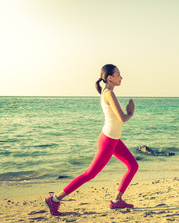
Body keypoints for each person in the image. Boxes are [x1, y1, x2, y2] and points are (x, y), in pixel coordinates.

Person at [45, 64, 139, 216]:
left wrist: (128, 113)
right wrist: (130, 113)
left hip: (113, 139)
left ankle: (116, 201)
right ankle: (54, 200)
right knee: (89, 174)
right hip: (108, 140)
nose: (121, 77)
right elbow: (122, 118)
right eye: (118, 74)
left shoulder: (107, 93)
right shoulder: (108, 94)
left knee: (133, 166)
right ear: (110, 77)